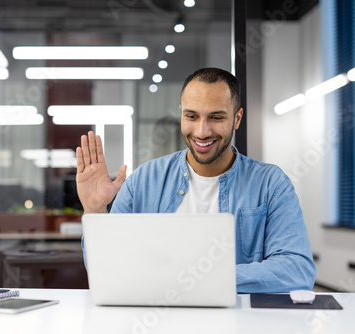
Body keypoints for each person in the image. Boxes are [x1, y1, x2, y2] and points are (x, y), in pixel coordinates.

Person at [76, 67, 316, 293]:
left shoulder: (270, 184)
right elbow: (107, 269)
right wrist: (95, 211)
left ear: (237, 118)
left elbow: (297, 271)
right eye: (191, 116)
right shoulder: (143, 181)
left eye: (216, 118)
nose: (202, 131)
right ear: (181, 113)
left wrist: (199, 278)